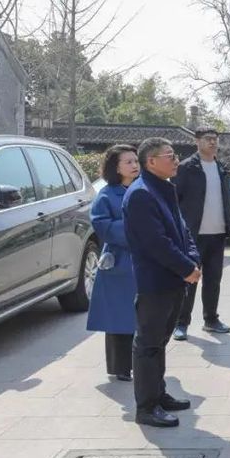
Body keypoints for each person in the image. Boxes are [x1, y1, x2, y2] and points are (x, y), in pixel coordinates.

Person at [123, 138, 199, 428]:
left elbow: (183, 230)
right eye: (170, 156)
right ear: (151, 161)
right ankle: (146, 407)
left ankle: (159, 393)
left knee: (160, 342)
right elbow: (156, 242)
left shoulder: (164, 188)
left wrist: (193, 260)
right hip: (155, 282)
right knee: (148, 344)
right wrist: (186, 268)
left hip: (174, 279)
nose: (176, 160)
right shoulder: (141, 194)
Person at [170, 127, 230, 340]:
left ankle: (211, 319)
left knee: (213, 280)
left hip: (218, 233)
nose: (213, 142)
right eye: (208, 139)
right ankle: (181, 323)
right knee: (189, 279)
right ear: (197, 141)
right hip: (193, 235)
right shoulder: (186, 168)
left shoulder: (222, 168)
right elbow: (174, 200)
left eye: (215, 139)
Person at [86, 144, 139, 382]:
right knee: (119, 317)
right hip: (120, 260)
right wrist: (137, 231)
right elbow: (102, 225)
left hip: (144, 260)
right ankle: (120, 367)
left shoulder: (143, 189)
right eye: (128, 162)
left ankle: (141, 363)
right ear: (116, 167)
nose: (134, 165)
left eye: (136, 160)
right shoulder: (107, 195)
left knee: (143, 315)